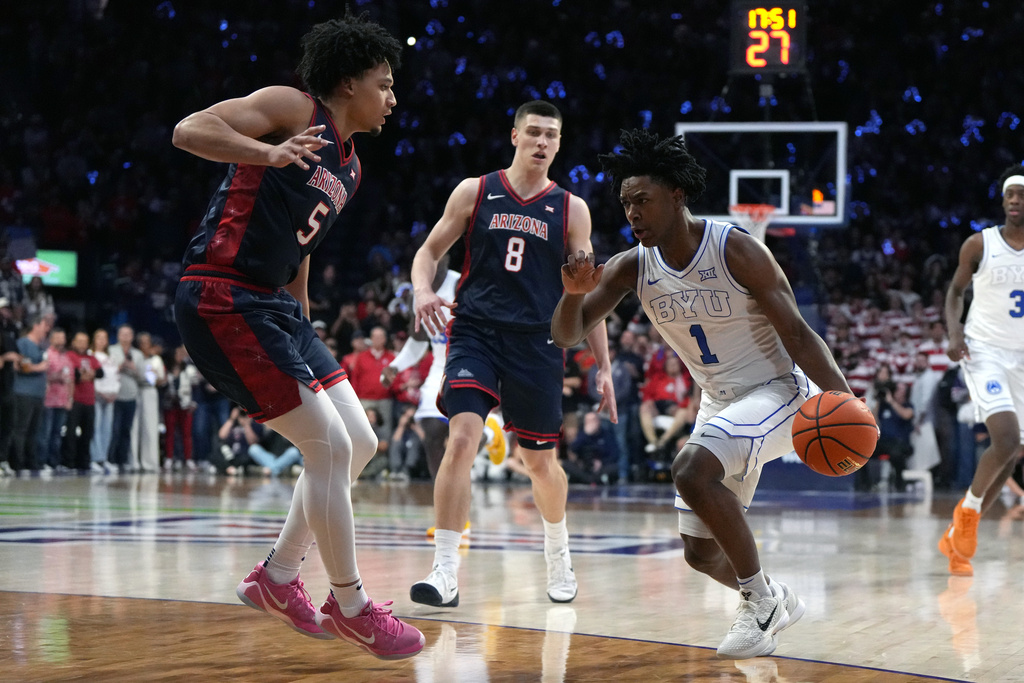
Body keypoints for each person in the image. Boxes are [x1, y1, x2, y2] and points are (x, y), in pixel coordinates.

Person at [170, 12, 422, 658]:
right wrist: (266, 152)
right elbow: (188, 129)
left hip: (275, 305)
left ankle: (278, 577)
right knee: (329, 446)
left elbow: (301, 235)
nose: (393, 98)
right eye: (384, 84)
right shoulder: (293, 108)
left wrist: (302, 301)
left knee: (359, 442)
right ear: (347, 83)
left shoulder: (353, 166)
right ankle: (351, 603)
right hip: (221, 293)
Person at [550, 129, 855, 659]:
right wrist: (572, 295)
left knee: (691, 470)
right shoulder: (631, 266)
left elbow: (799, 335)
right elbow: (566, 334)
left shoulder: (736, 248)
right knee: (698, 551)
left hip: (777, 390)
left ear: (677, 195)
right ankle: (775, 597)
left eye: (641, 200)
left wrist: (847, 402)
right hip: (720, 401)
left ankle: (759, 602)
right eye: (625, 204)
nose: (632, 213)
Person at [409, 99, 617, 608]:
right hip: (475, 331)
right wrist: (421, 290)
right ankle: (444, 571)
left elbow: (586, 292)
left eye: (552, 135)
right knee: (460, 439)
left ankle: (557, 551)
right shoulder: (476, 191)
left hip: (537, 341)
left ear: (559, 144)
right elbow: (428, 252)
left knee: (539, 463)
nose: (542, 142)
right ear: (515, 136)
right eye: (534, 133)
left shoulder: (571, 208)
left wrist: (605, 367)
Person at [939, 164, 1024, 577]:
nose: (1014, 201)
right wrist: (955, 334)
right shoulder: (980, 244)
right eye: (1010, 194)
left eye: (1021, 195)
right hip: (984, 349)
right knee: (1005, 437)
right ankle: (969, 514)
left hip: (1021, 357)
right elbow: (955, 292)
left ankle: (957, 534)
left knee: (1011, 453)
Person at [380, 254, 460, 480]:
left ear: (445, 260)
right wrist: (395, 367)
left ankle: (489, 434)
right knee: (431, 430)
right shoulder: (417, 294)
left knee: (465, 435)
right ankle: (442, 491)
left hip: (468, 360)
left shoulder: (459, 284)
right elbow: (417, 342)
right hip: (440, 366)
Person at [63, 330, 103, 473]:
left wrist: (88, 374)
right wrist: (88, 375)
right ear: (73, 342)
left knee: (88, 433)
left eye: (85, 342)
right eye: (79, 341)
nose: (82, 344)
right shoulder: (70, 356)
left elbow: (100, 372)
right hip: (75, 399)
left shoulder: (90, 357)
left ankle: (84, 462)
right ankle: (69, 462)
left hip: (89, 400)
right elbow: (74, 374)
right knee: (71, 432)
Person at [90, 328, 119, 474]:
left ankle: (104, 458)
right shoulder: (91, 355)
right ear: (94, 340)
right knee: (96, 427)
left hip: (110, 397)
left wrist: (114, 393)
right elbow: (93, 377)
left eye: (104, 338)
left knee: (107, 429)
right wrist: (100, 392)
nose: (102, 341)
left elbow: (115, 377)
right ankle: (95, 459)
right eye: (99, 337)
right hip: (97, 396)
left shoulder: (110, 358)